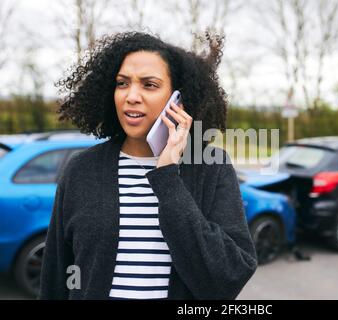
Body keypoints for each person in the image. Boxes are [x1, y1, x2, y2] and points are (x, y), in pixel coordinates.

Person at [38, 31, 257, 300]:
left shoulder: (211, 167)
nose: (131, 96)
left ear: (178, 99)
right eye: (122, 83)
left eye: (149, 85)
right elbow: (57, 274)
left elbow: (228, 277)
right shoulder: (81, 169)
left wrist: (167, 179)